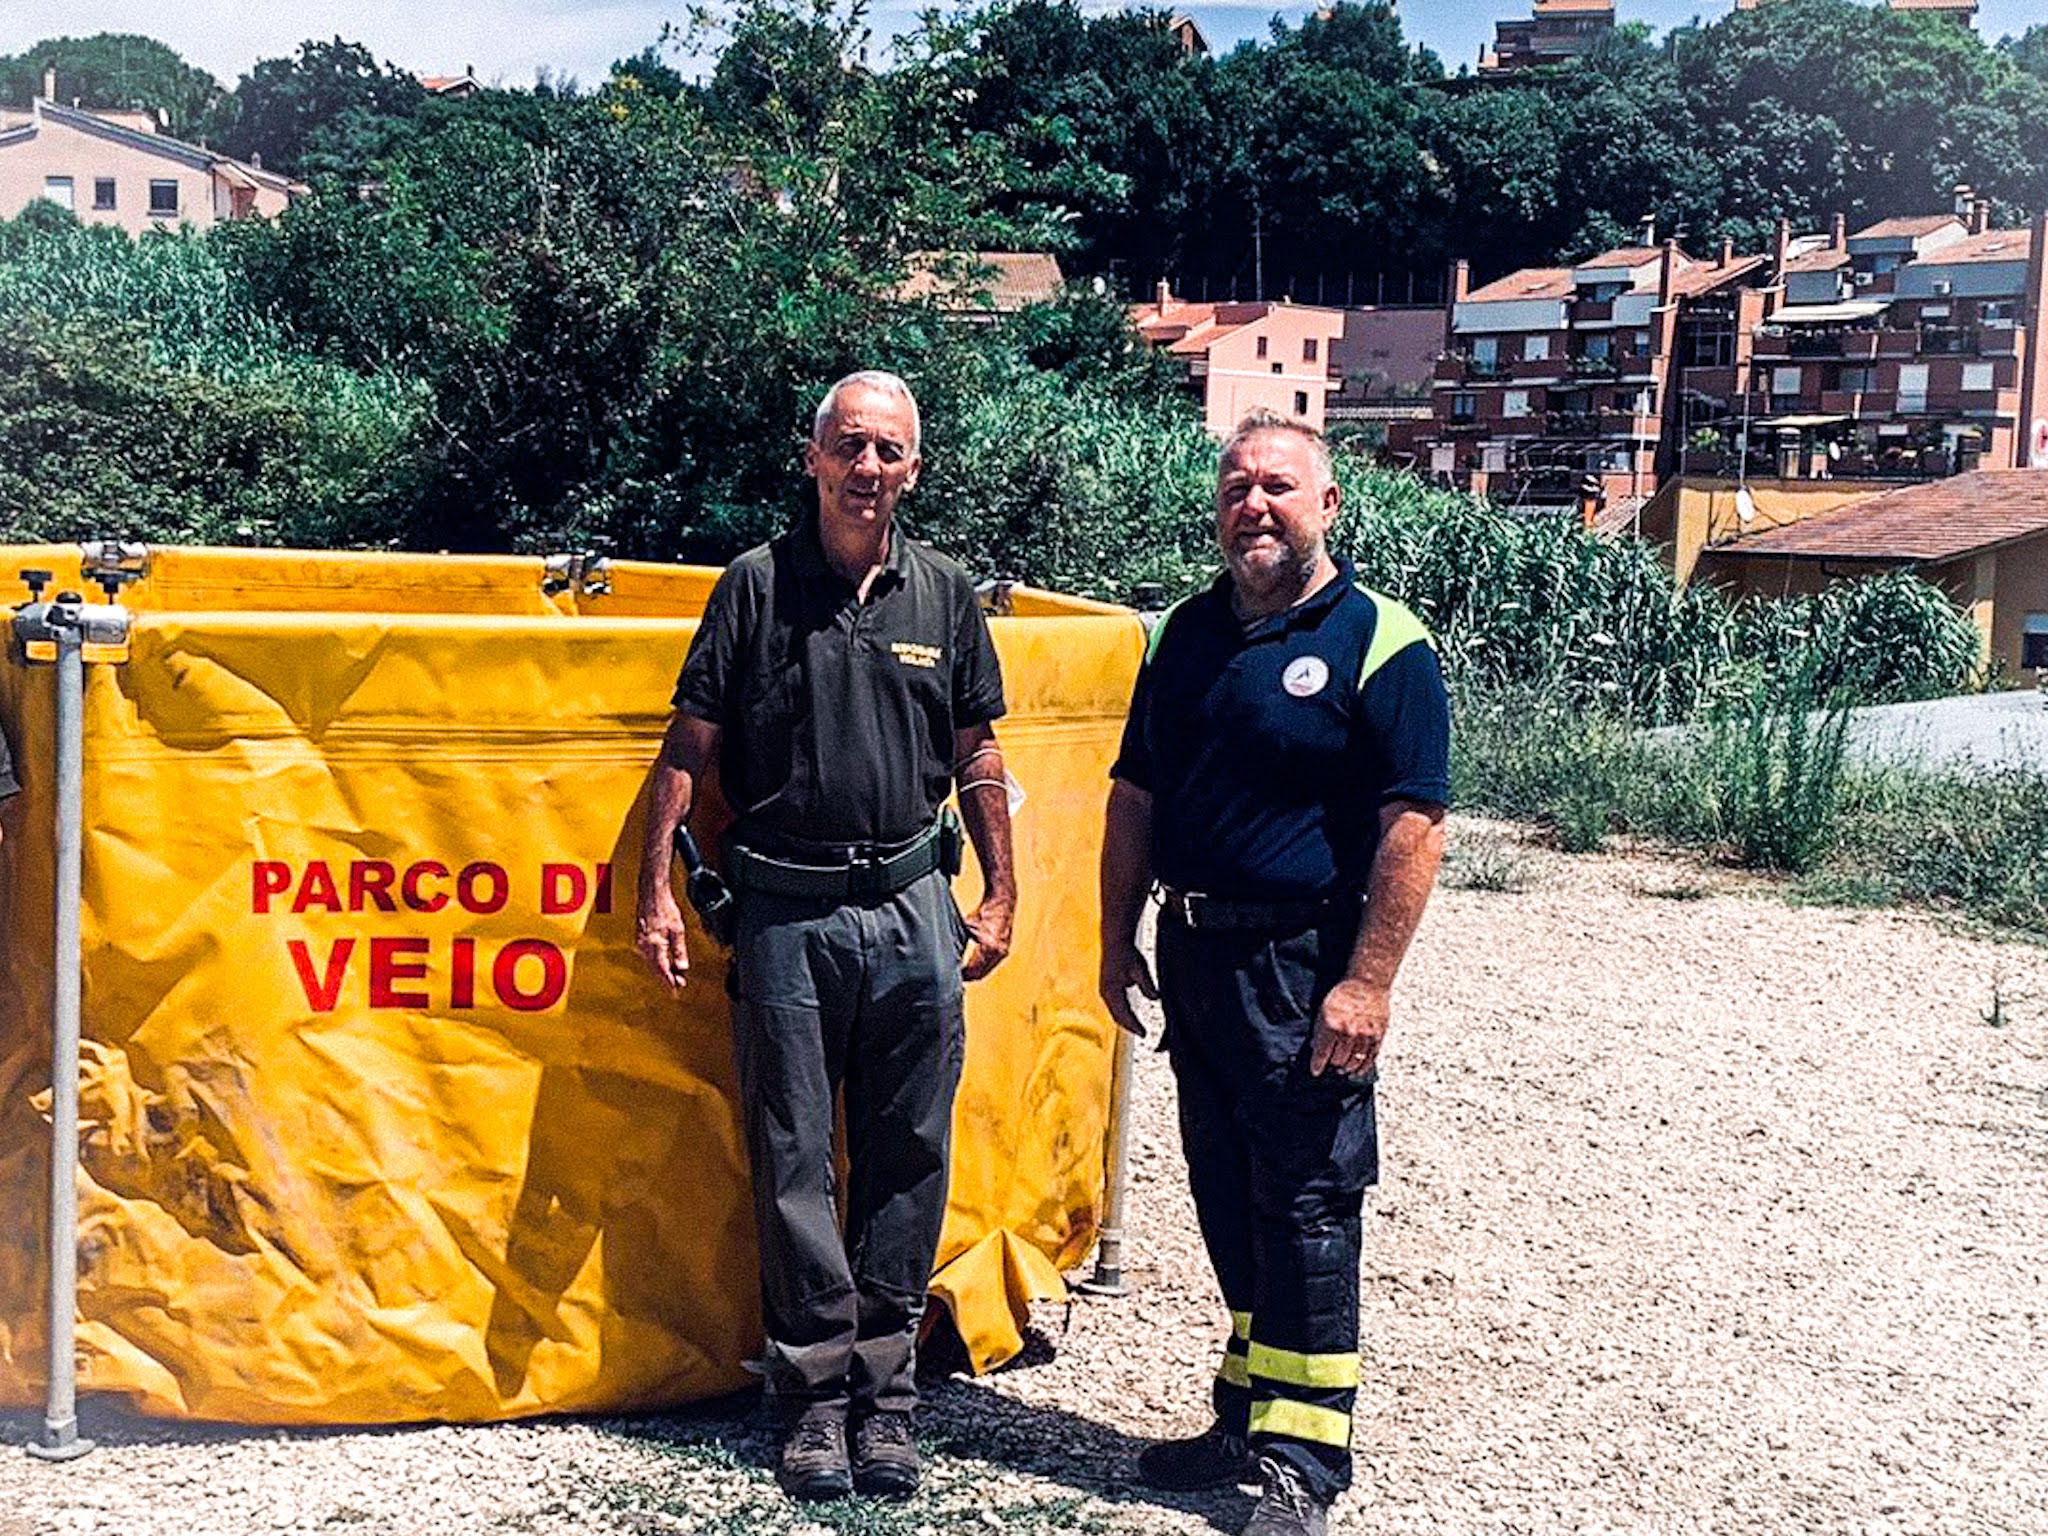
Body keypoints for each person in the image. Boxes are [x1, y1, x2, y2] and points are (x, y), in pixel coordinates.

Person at [636, 371, 1016, 1503]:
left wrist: (999, 895)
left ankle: (887, 1405)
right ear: (811, 459)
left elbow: (978, 755)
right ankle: (808, 1405)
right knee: (794, 1163)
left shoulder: (944, 594)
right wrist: (653, 891)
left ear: (913, 469)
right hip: (785, 914)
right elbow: (685, 751)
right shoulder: (753, 588)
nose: (867, 470)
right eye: (849, 446)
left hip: (911, 909)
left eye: (888, 452)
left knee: (906, 1157)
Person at [1099, 410, 1450, 1536]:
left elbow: (1413, 826)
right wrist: (1113, 938)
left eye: (1280, 487)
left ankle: (1305, 1461)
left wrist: (1367, 984)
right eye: (1236, 487)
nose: (1255, 505)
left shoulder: (1378, 641)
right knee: (1224, 1192)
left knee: (1303, 1203)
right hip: (1193, 951)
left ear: (1328, 506)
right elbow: (1134, 796)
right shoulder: (1181, 636)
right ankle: (1247, 1414)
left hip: (1304, 963)